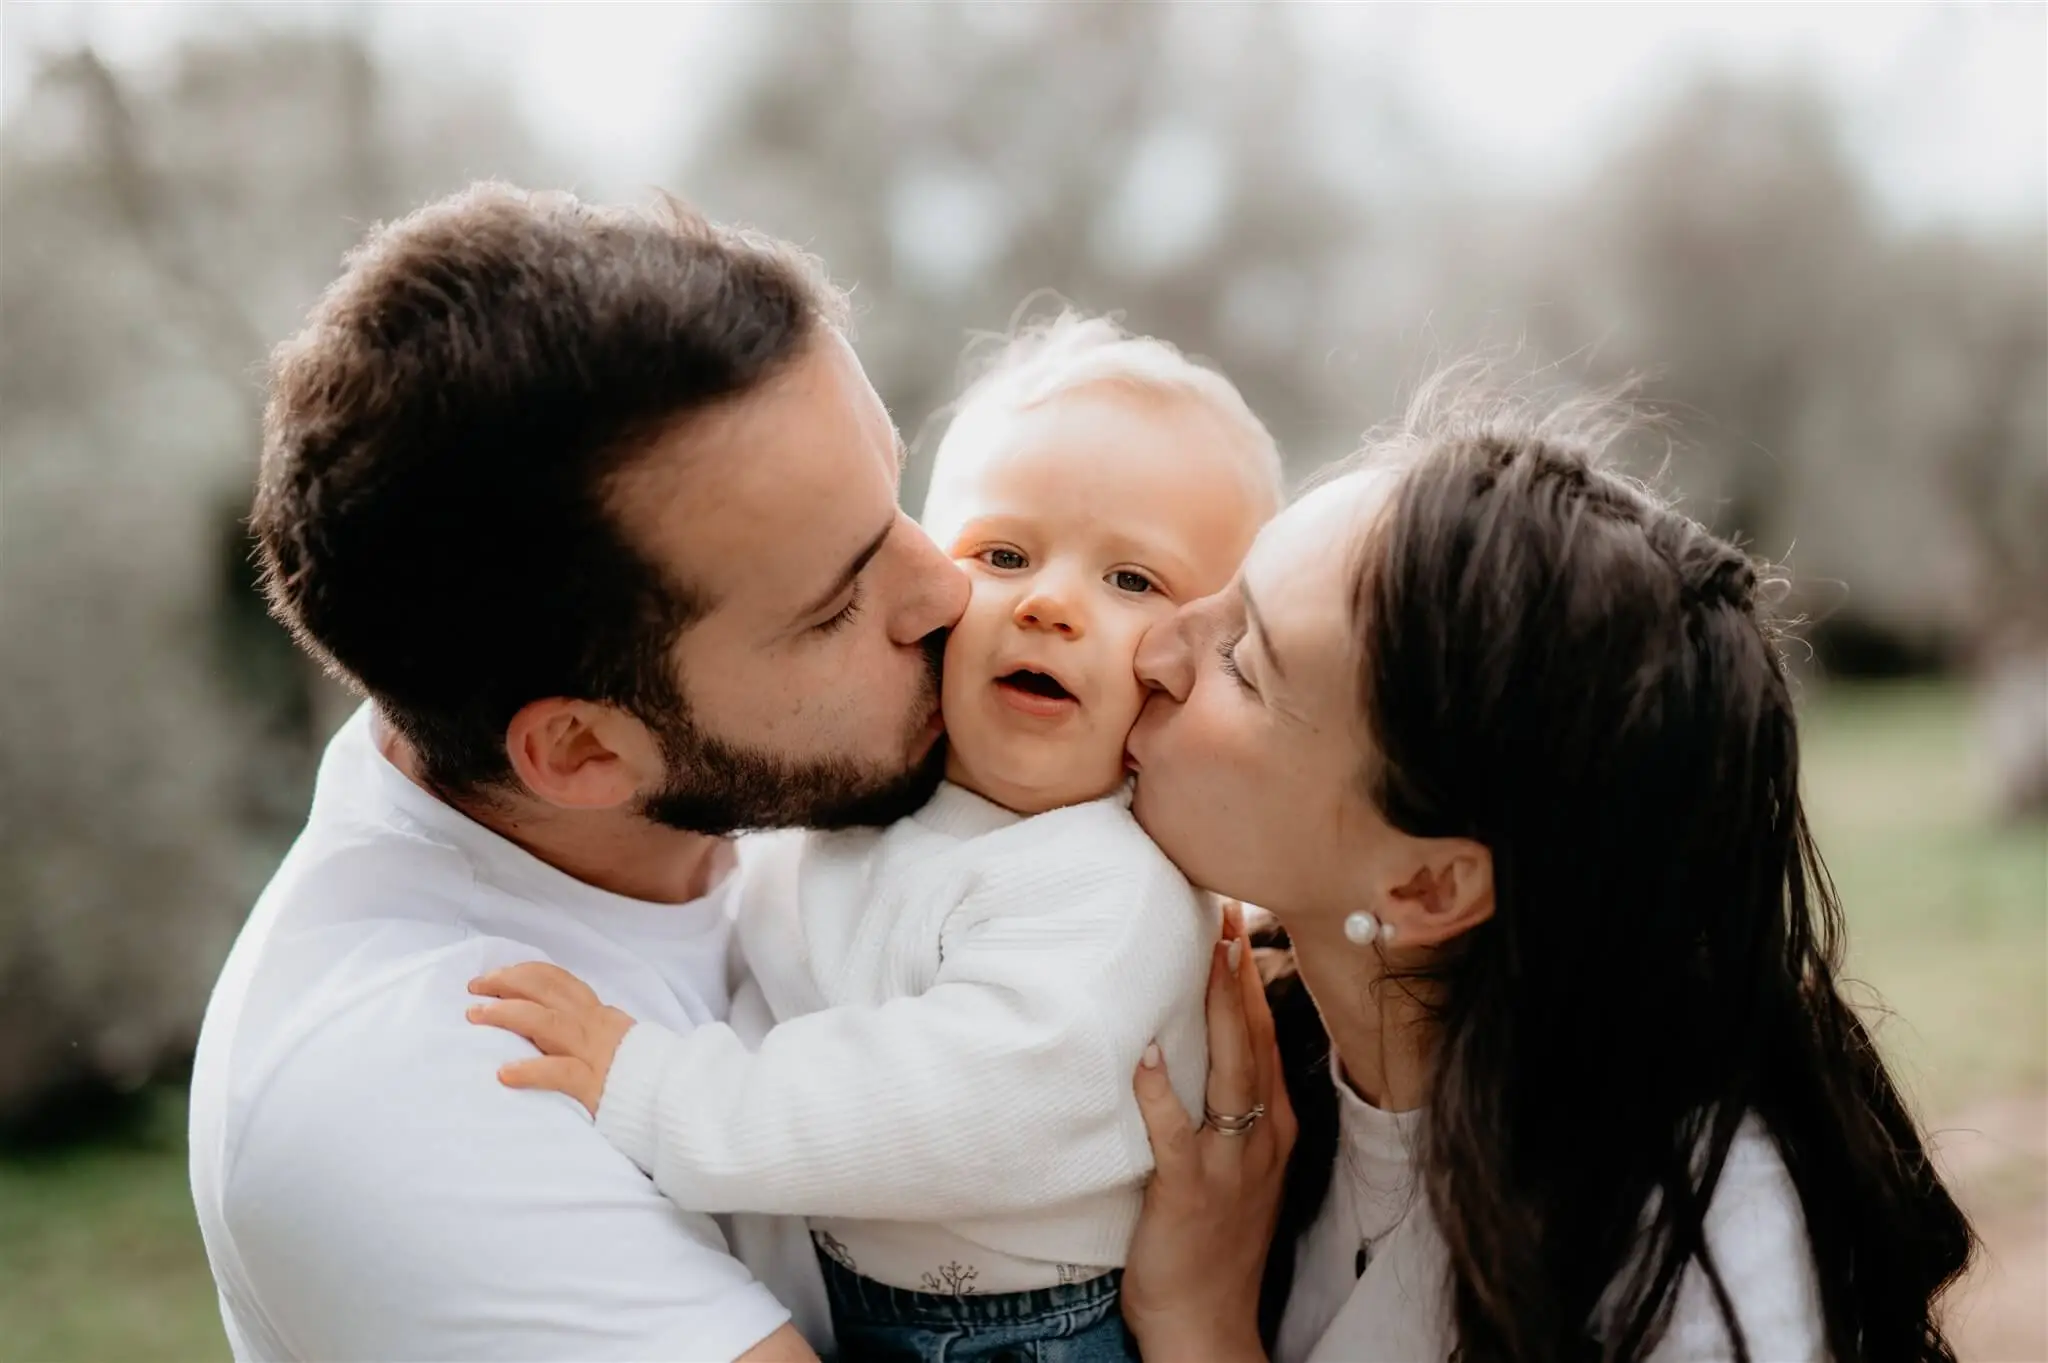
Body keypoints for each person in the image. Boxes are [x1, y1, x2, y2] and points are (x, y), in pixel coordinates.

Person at [187, 182, 970, 1362]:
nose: (947, 587)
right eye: (833, 607)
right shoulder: (407, 1095)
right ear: (583, 752)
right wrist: (1197, 1311)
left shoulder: (738, 771)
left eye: (895, 496)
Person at [466, 313, 1285, 1363]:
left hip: (1023, 1334)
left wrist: (656, 1090)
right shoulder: (876, 798)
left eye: (1131, 581)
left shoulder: (1112, 886)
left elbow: (941, 1100)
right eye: (1002, 553)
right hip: (859, 1289)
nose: (1049, 604)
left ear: (1197, 657)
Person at [1112, 385, 1977, 1362]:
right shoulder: (1208, 1014)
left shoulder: (1692, 1260)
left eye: (1243, 661)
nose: (1152, 648)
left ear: (1429, 888)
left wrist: (1198, 1323)